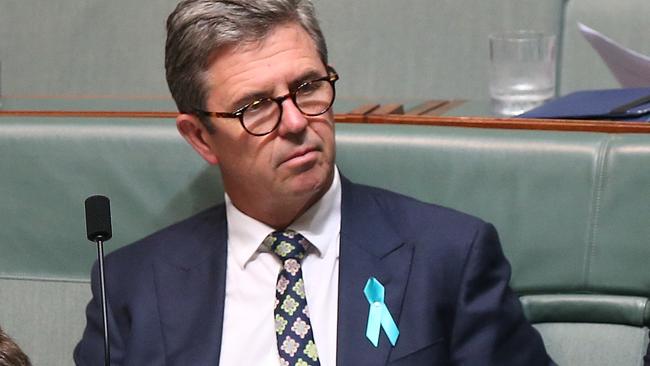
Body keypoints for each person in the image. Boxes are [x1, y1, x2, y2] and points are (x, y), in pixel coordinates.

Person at [74, 0, 554, 364]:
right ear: (201, 137)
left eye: (306, 87)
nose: (296, 122)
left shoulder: (449, 255)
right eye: (256, 106)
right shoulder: (131, 287)